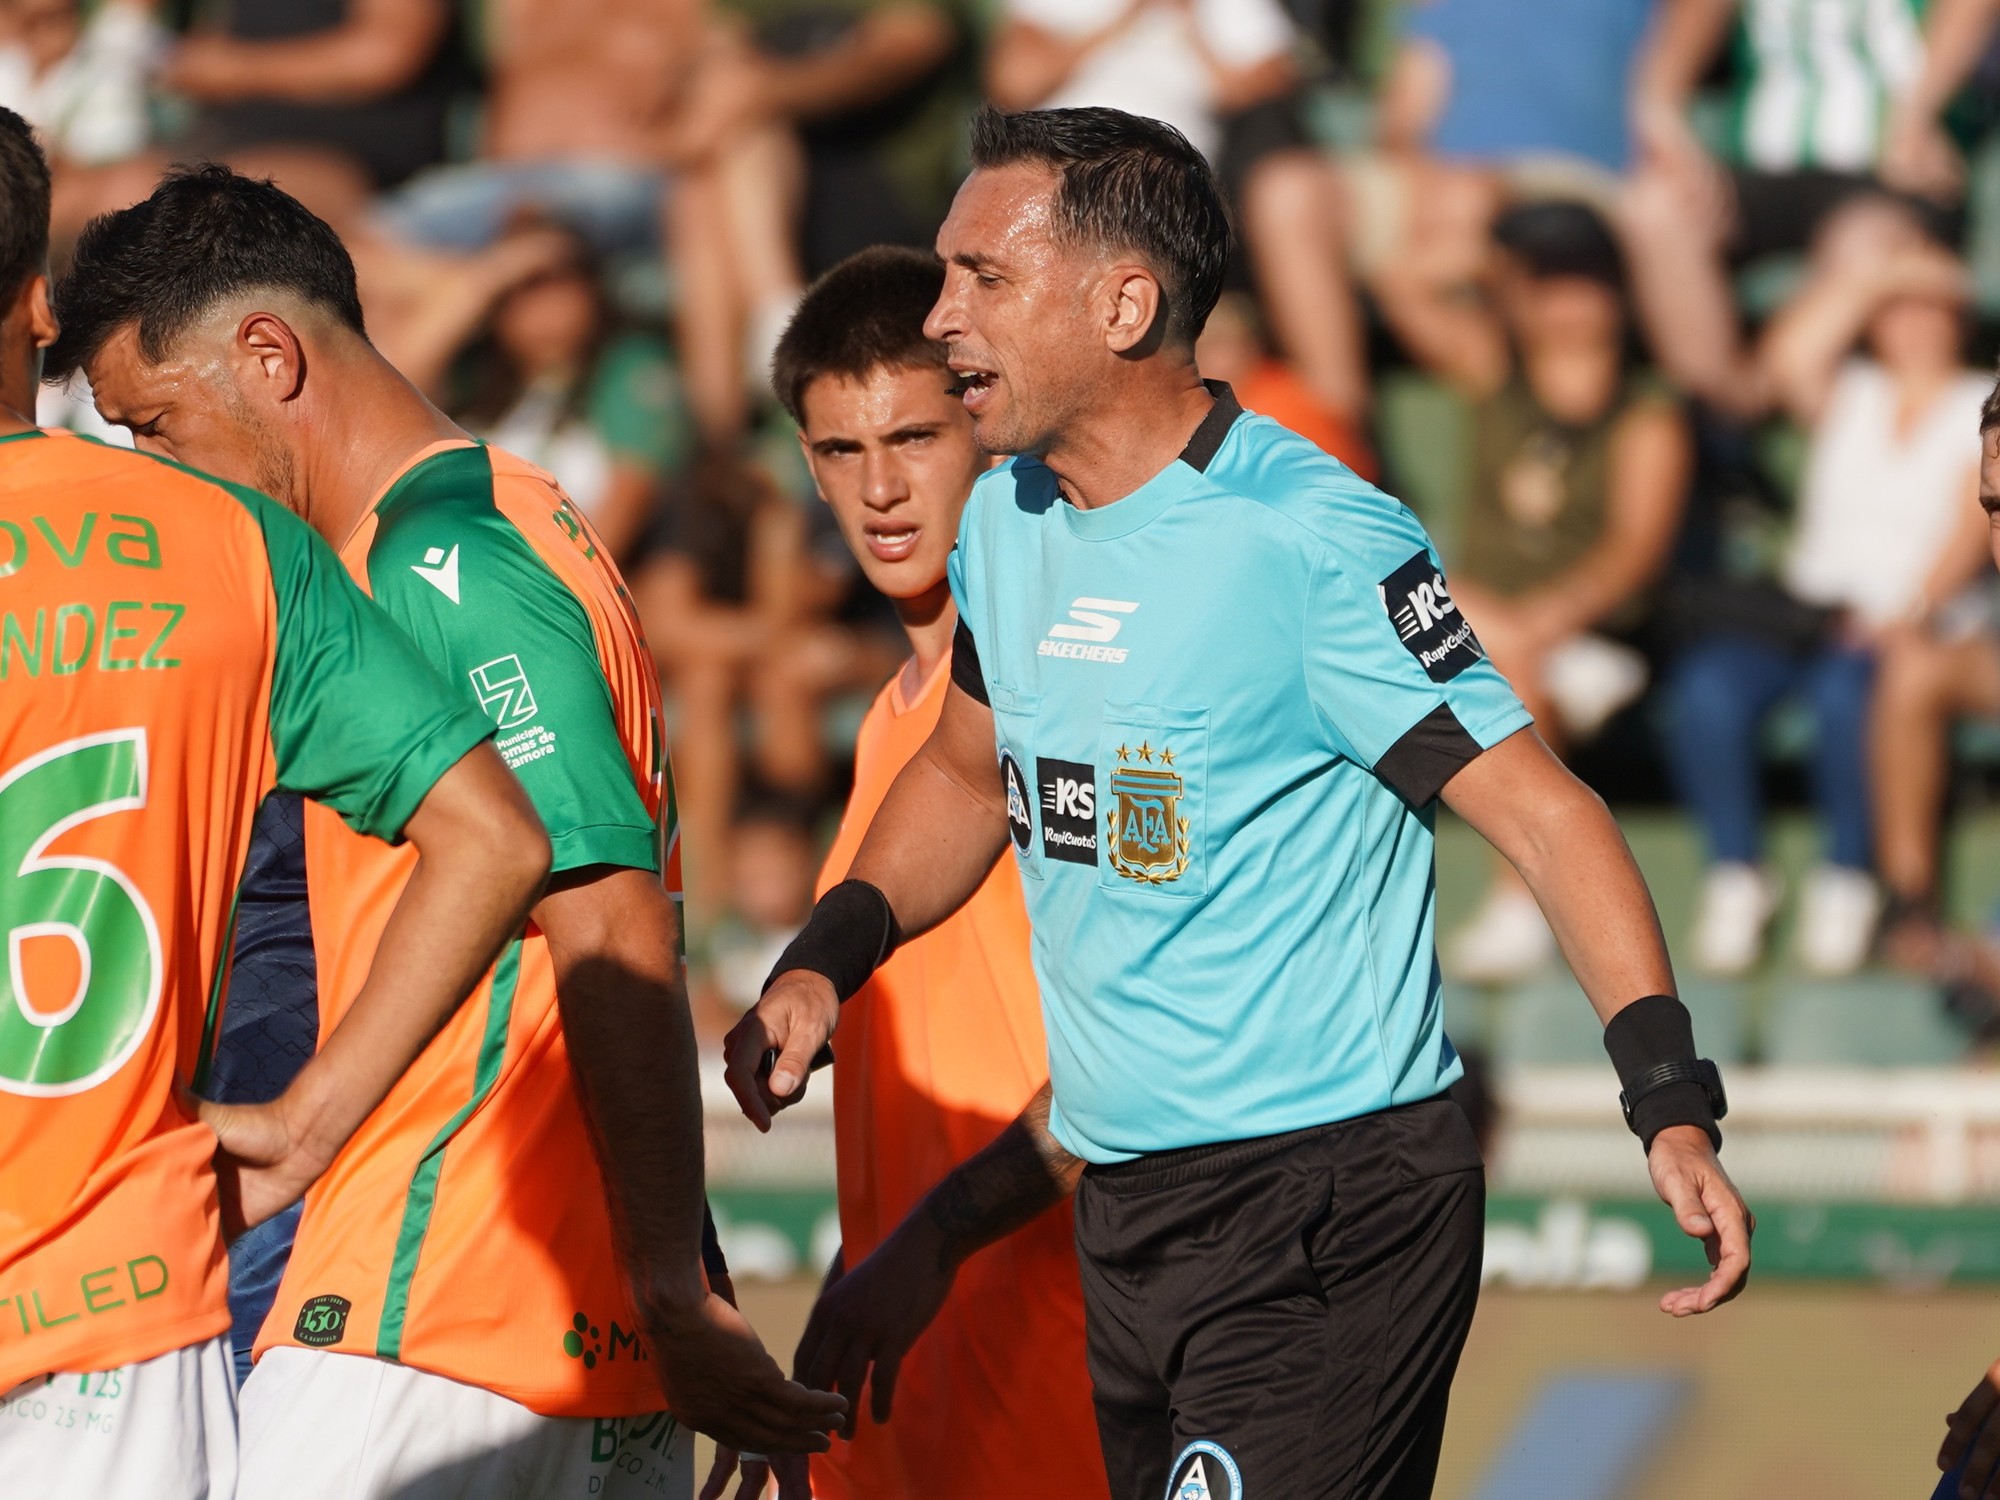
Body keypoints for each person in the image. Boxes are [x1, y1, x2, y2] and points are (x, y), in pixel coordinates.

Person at [724, 106, 1753, 1499]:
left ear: (1123, 306)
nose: (942, 311)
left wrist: (1669, 1100)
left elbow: (1546, 816)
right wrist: (822, 963)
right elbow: (964, 775)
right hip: (1129, 1217)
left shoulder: (1312, 536)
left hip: (1332, 1208)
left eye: (984, 275)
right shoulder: (1009, 524)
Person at [49, 164, 845, 1497]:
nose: (156, 474)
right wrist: (683, 1284)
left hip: (435, 1315)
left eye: (160, 427)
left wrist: (670, 1281)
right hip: (559, 1327)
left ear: (269, 356)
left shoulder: (443, 566)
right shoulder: (501, 523)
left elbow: (609, 923)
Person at [0, 104, 553, 1495]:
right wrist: (308, 1124)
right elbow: (495, 840)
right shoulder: (232, 539)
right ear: (39, 306)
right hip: (115, 1314)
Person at [736, 244, 1108, 1499]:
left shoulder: (1075, 691)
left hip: (1070, 1395)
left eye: (913, 438)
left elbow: (1148, 1042)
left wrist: (932, 1242)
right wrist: (827, 1349)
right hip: (909, 1409)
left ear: (986, 428)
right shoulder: (891, 734)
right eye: (842, 451)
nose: (881, 489)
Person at [1664, 207, 1990, 977]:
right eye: (1900, 309)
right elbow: (1785, 359)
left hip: (1913, 623)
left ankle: (1848, 877)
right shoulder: (1853, 392)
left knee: (1852, 699)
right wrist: (1878, 272)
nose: (1917, 324)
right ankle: (1735, 870)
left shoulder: (1981, 401)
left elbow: (1971, 526)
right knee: (1706, 690)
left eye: (1933, 308)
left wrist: (1911, 610)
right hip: (1806, 614)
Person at [1376, 196, 1689, 983]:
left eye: (1581, 278)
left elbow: (1632, 557)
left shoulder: (1647, 413)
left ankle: (1520, 905)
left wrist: (1537, 623)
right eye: (1545, 279)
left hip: (1595, 644)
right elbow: (1399, 282)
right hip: (1485, 620)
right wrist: (1489, 257)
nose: (1564, 300)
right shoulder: (1495, 371)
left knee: (1512, 670)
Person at [987, 0, 1371, 426]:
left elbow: (1269, 84)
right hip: (1055, 178)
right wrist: (1126, 18)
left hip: (1169, 197)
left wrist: (1191, 28)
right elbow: (1013, 82)